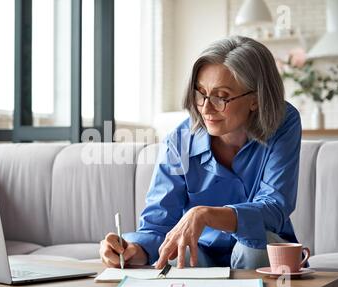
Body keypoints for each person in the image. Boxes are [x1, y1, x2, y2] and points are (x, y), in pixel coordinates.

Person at [100, 36, 302, 270]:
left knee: (253, 247)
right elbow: (158, 225)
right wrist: (132, 250)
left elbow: (274, 206)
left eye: (221, 96)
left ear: (255, 100)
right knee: (178, 254)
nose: (205, 108)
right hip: (201, 253)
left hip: (260, 252)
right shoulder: (179, 140)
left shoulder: (283, 122)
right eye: (200, 94)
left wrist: (206, 214)